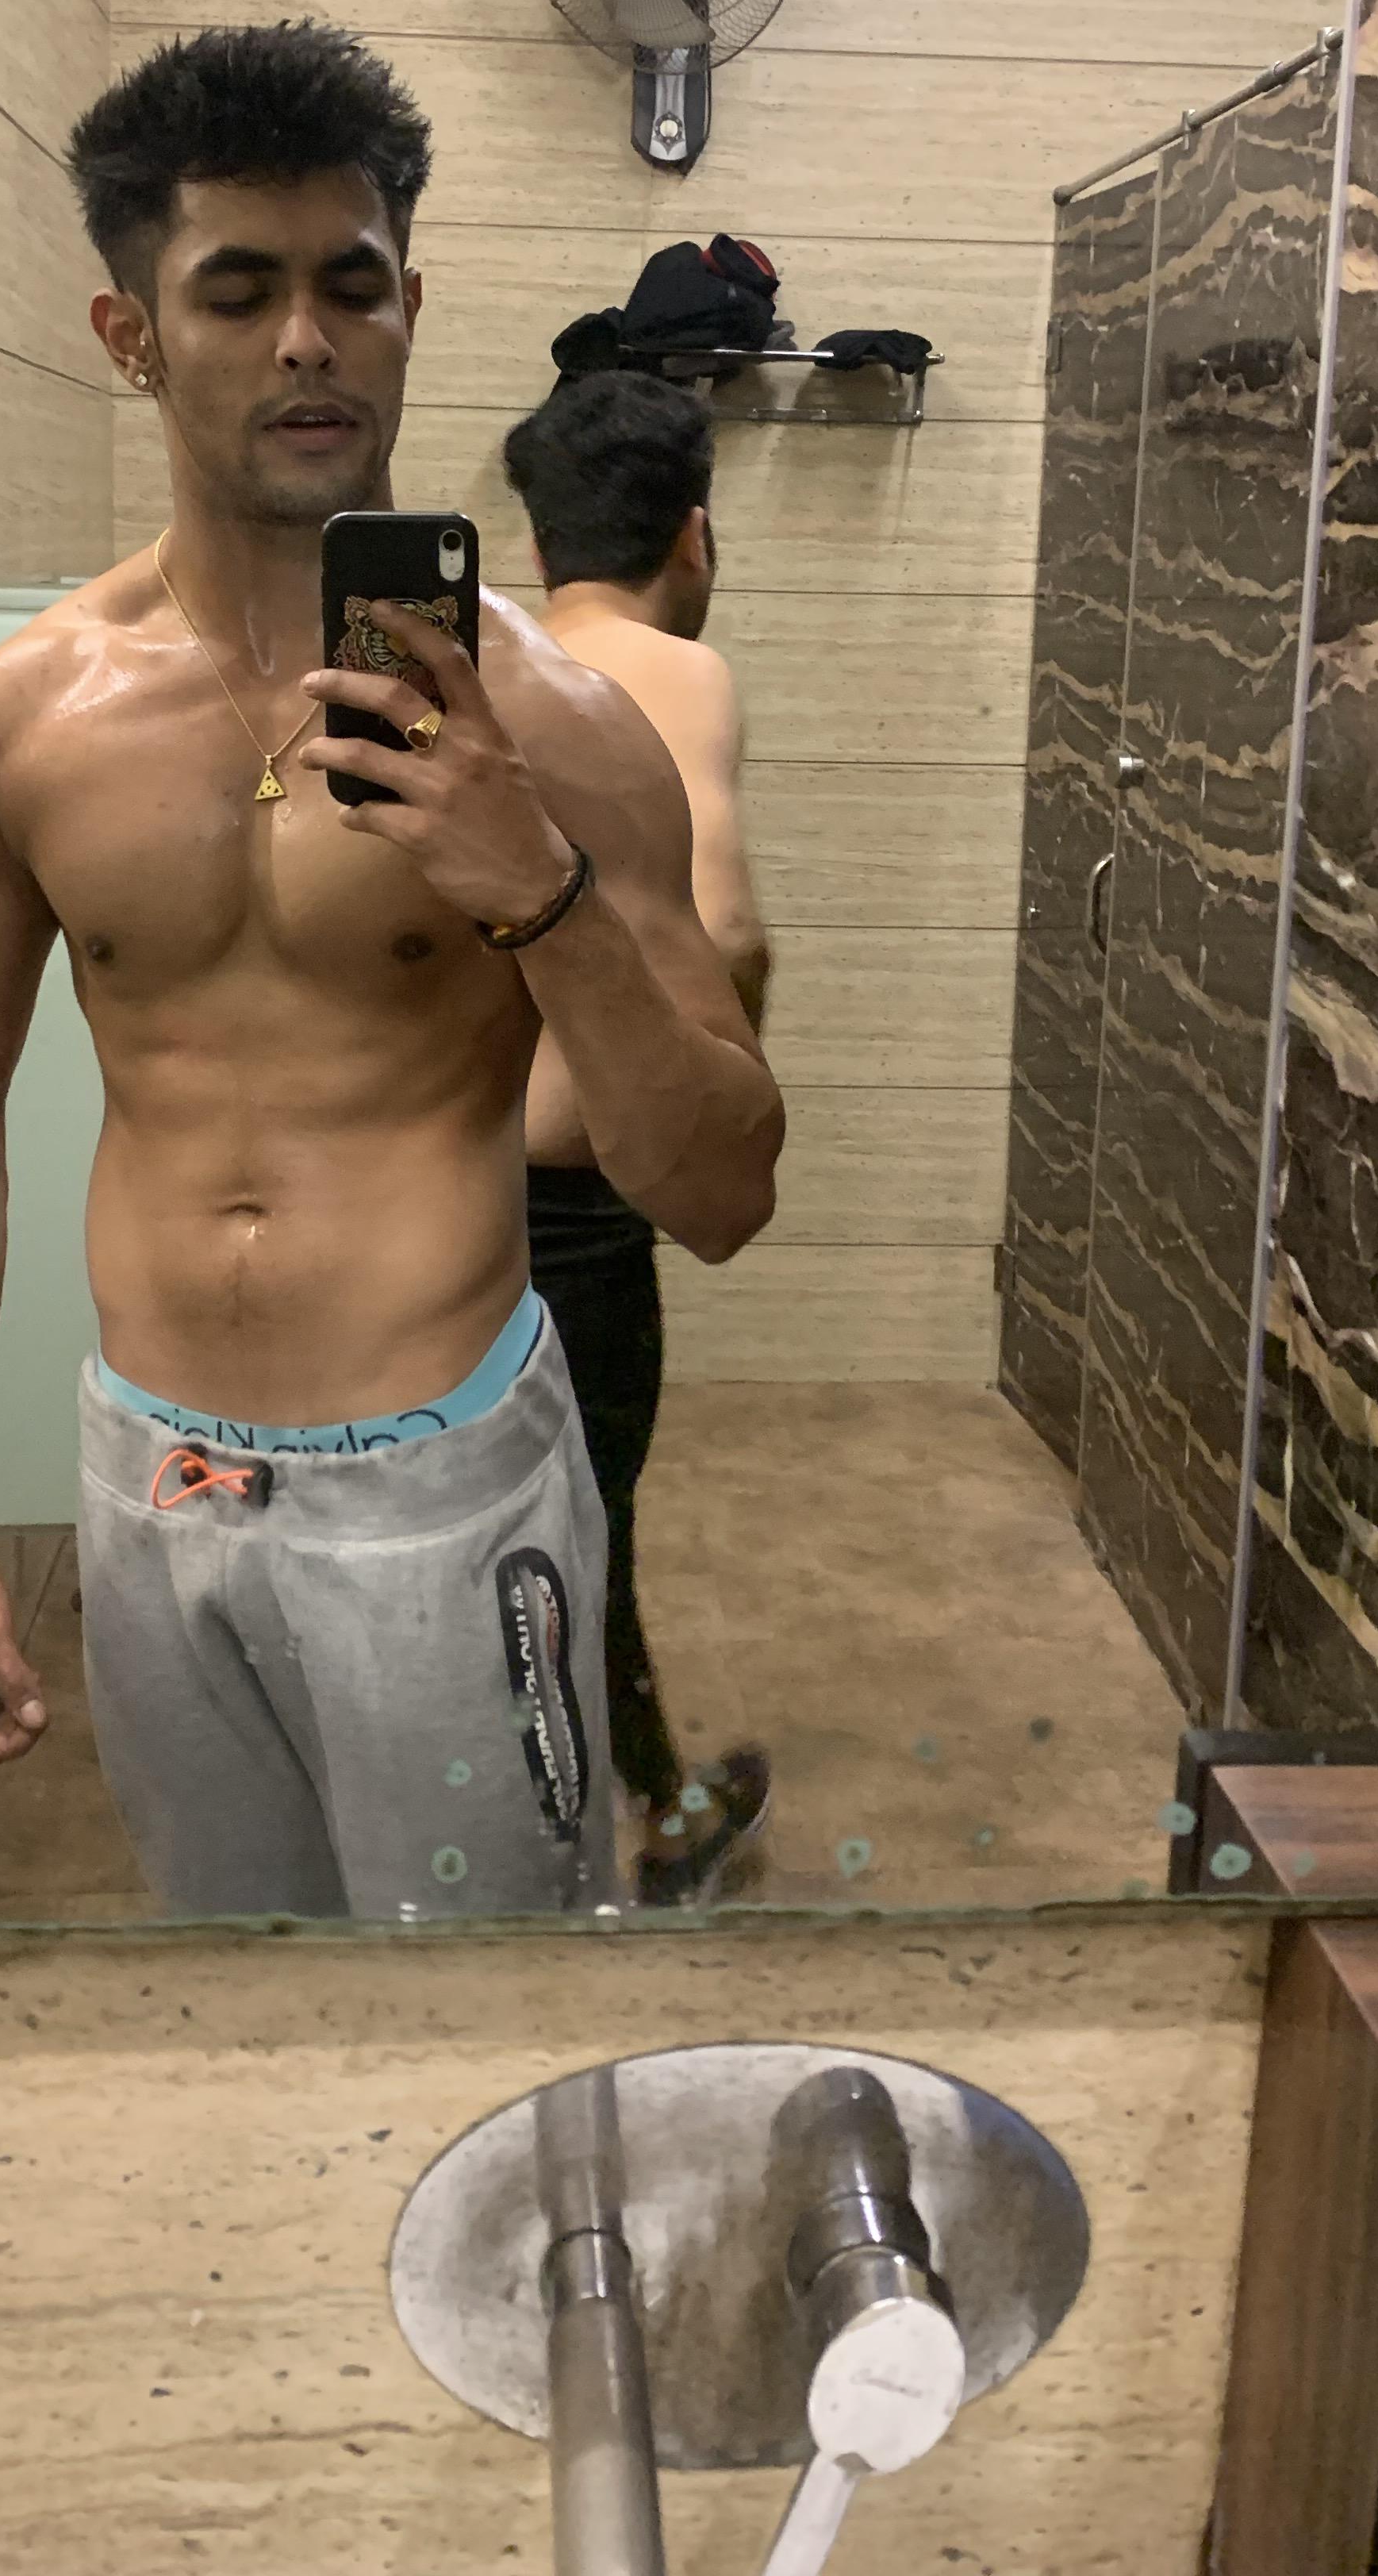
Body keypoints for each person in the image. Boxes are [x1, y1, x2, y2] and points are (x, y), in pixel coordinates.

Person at [0, 22, 781, 1923]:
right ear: (131, 336)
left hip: (447, 1483)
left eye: (353, 287)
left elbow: (721, 1194)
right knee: (236, 1995)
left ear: (410, 311)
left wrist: (536, 889)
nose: (307, 341)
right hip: (153, 1478)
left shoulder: (563, 728)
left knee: (485, 2017)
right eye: (238, 292)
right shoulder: (7, 726)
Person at [501, 371, 773, 1908]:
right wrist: (720, 1095)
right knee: (577, 1535)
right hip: (575, 1198)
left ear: (538, 544)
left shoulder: (477, 662)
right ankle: (634, 1832)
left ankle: (645, 1797)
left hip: (414, 1183)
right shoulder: (678, 674)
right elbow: (723, 931)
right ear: (694, 535)